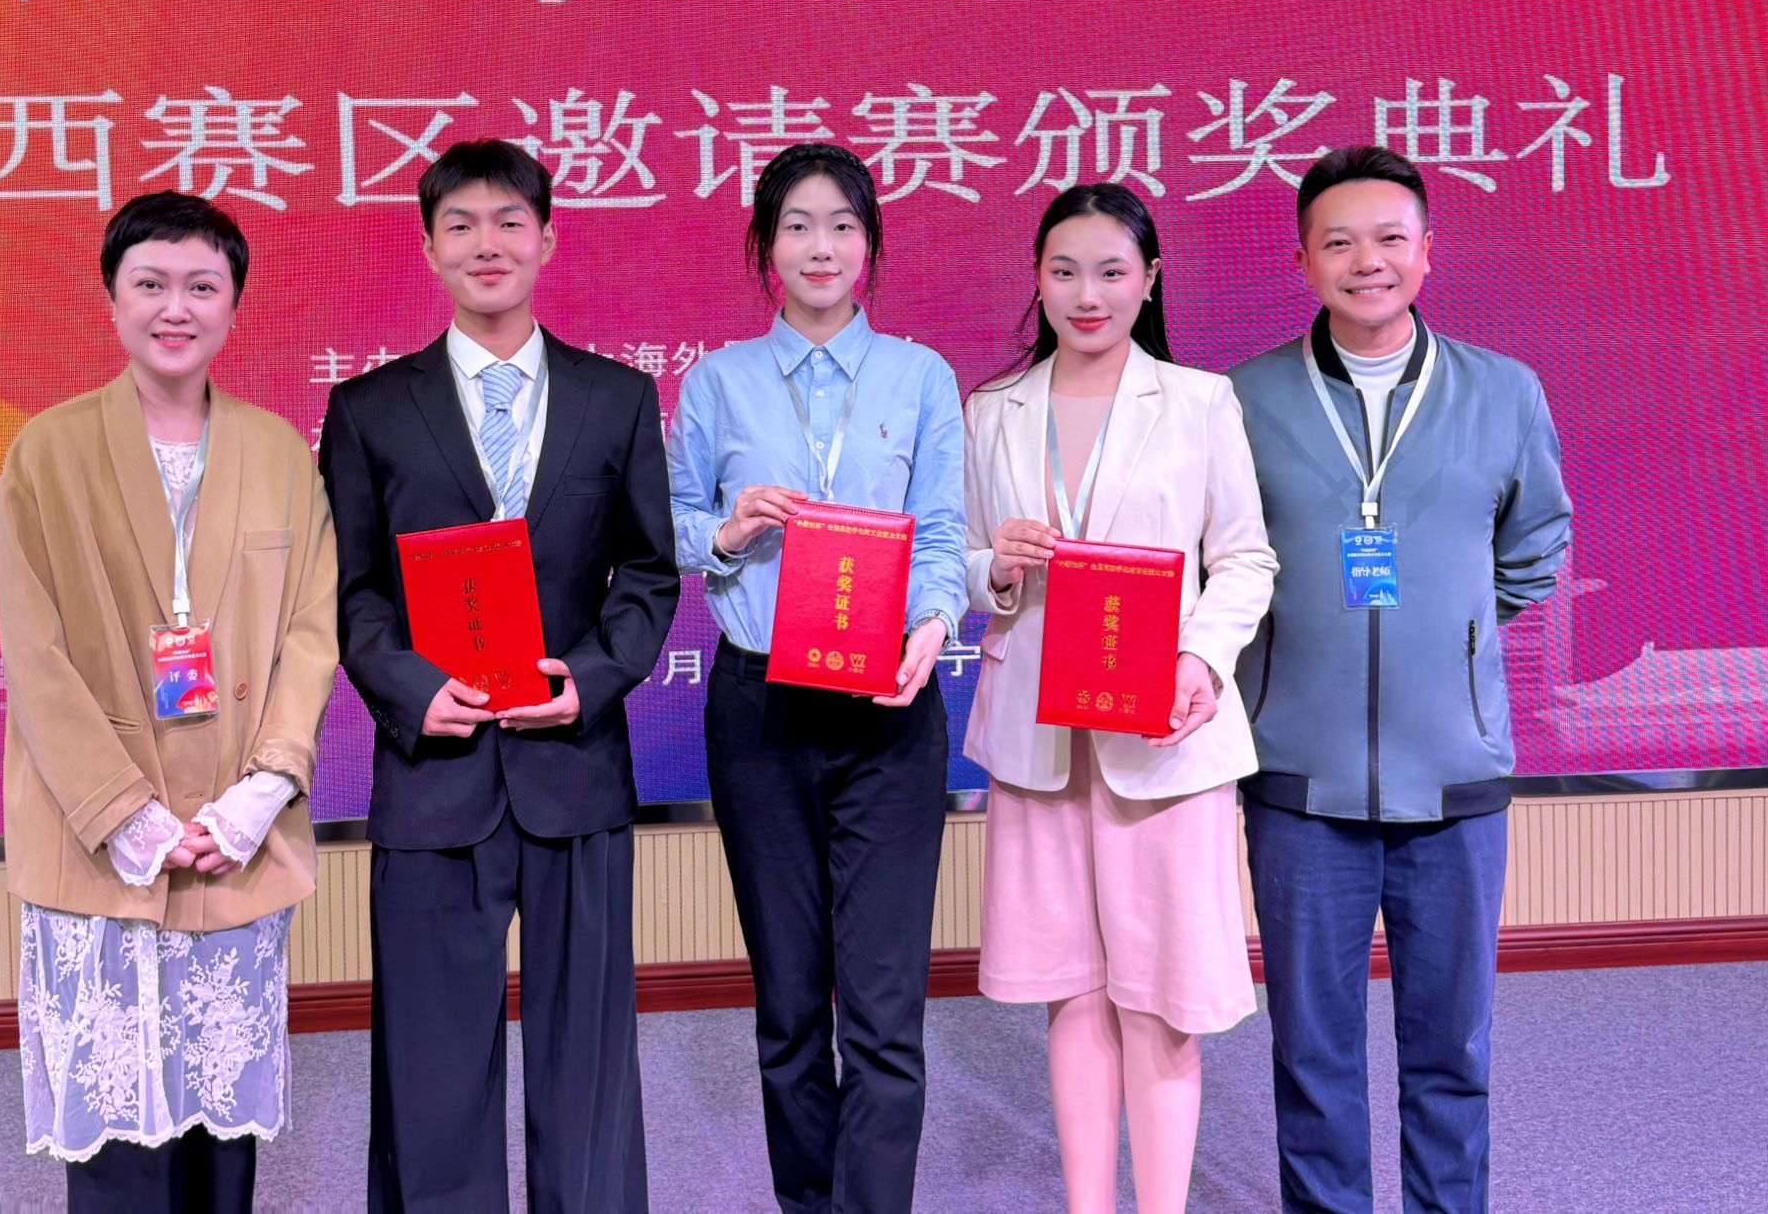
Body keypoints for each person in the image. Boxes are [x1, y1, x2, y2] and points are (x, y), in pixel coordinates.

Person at [319, 139, 678, 1212]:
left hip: (574, 766)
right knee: (431, 1068)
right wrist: (408, 688)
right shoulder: (369, 409)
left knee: (587, 1064)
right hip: (435, 771)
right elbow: (350, 589)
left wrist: (592, 676)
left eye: (510, 221)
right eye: (462, 224)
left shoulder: (618, 397)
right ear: (428, 247)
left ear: (547, 239)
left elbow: (647, 572)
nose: (488, 243)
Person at [1228, 146, 1572, 1214]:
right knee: (1311, 1050)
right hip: (1298, 776)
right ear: (1302, 261)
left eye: (1388, 238)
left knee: (1451, 1047)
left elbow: (1534, 547)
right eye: (1337, 242)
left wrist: (1453, 639)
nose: (1365, 261)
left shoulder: (1502, 391)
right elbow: (1216, 564)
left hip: (1454, 774)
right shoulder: (1241, 399)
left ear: (1427, 252)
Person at [0, 191, 338, 1209]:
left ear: (235, 305)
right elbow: (34, 654)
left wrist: (260, 793)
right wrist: (130, 816)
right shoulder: (46, 451)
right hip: (99, 837)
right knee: (116, 1137)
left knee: (220, 1134)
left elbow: (311, 632)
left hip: (234, 831)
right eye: (150, 284)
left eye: (201, 286)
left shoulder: (279, 452)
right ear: (112, 299)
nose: (174, 308)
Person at [962, 183, 1277, 1214]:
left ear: (1150, 280)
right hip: (1040, 738)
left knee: (1161, 1001)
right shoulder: (993, 409)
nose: (1086, 294)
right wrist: (994, 566)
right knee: (1071, 988)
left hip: (1165, 733)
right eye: (1063, 271)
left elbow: (1244, 559)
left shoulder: (1199, 401)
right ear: (1037, 280)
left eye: (1110, 271)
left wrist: (1201, 658)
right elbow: (959, 562)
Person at [666, 141, 968, 1213]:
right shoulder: (718, 382)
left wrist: (933, 623)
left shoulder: (920, 377)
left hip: (888, 707)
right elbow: (667, 524)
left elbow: (942, 531)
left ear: (870, 243)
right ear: (765, 246)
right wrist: (726, 530)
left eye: (842, 224)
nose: (821, 246)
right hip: (761, 711)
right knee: (790, 1004)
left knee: (883, 1013)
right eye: (796, 224)